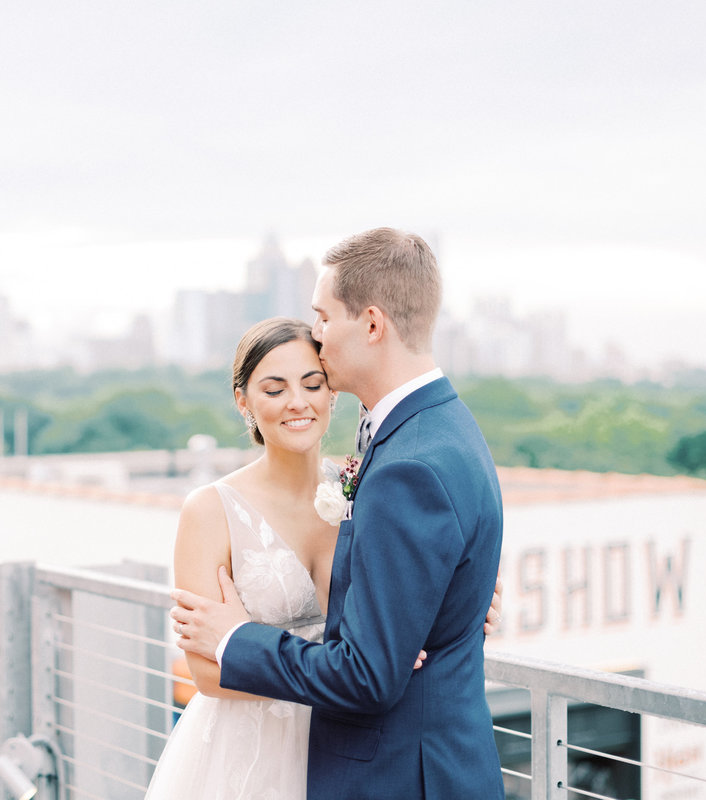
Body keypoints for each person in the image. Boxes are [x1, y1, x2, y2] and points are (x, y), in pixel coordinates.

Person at [172, 227, 506, 799]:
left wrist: (239, 639)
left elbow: (369, 674)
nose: (318, 335)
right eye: (274, 387)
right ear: (244, 400)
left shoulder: (409, 465)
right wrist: (421, 617)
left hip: (397, 770)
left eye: (324, 318)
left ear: (372, 324)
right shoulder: (438, 427)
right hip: (276, 755)